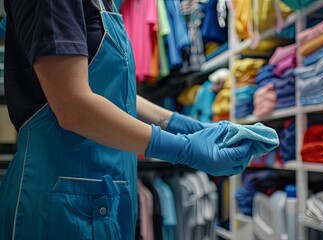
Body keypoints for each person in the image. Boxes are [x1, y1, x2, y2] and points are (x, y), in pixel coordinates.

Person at [0, 0, 261, 239]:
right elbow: (73, 106)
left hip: (106, 194)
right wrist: (184, 149)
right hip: (58, 201)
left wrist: (183, 124)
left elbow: (106, 88)